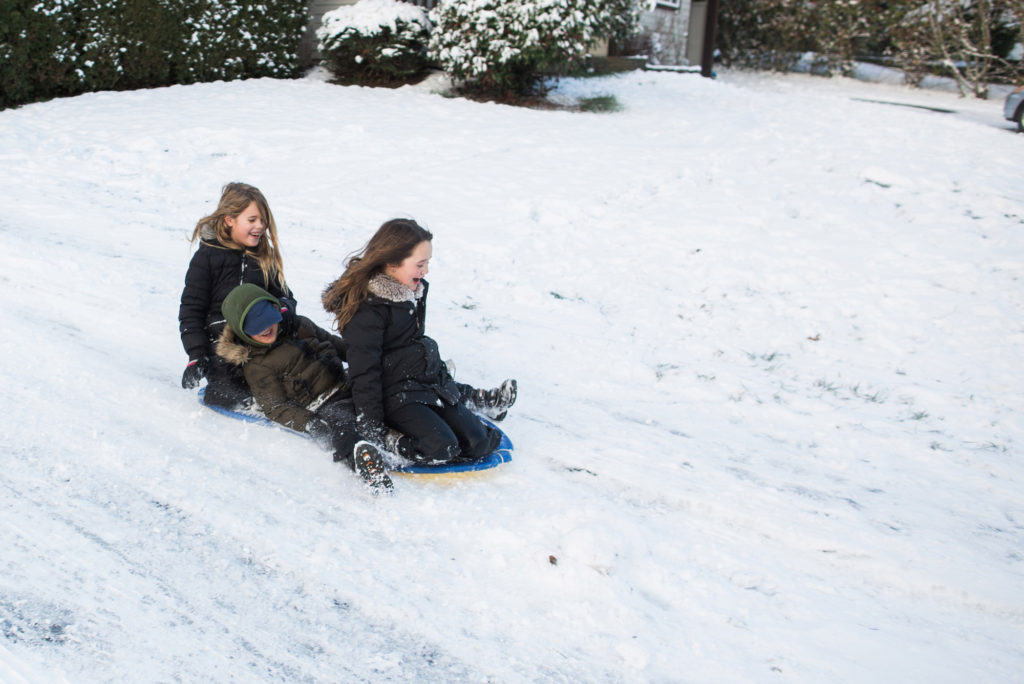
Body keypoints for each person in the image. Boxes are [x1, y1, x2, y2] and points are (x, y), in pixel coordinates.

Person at [321, 218, 517, 465]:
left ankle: (456, 413)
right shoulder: (367, 311)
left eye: (427, 264)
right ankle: (394, 440)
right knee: (442, 448)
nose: (425, 272)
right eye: (420, 264)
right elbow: (365, 370)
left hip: (424, 384)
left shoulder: (411, 291)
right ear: (392, 263)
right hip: (395, 394)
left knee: (479, 443)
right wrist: (373, 427)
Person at [216, 283, 393, 492]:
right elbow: (275, 407)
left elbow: (337, 345)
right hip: (323, 403)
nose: (265, 328)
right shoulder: (256, 365)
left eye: (267, 320)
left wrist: (367, 359)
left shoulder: (301, 325)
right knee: (343, 424)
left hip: (345, 381)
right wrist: (310, 423)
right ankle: (363, 460)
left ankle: (407, 426)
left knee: (385, 395)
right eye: (256, 327)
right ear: (242, 332)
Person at [178, 182, 296, 409]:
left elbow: (284, 295)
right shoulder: (207, 258)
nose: (260, 226)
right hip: (223, 347)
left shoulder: (263, 255)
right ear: (229, 220)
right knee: (226, 392)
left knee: (295, 366)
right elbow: (191, 310)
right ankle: (250, 401)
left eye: (263, 220)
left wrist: (283, 310)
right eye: (252, 220)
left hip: (261, 337)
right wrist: (197, 355)